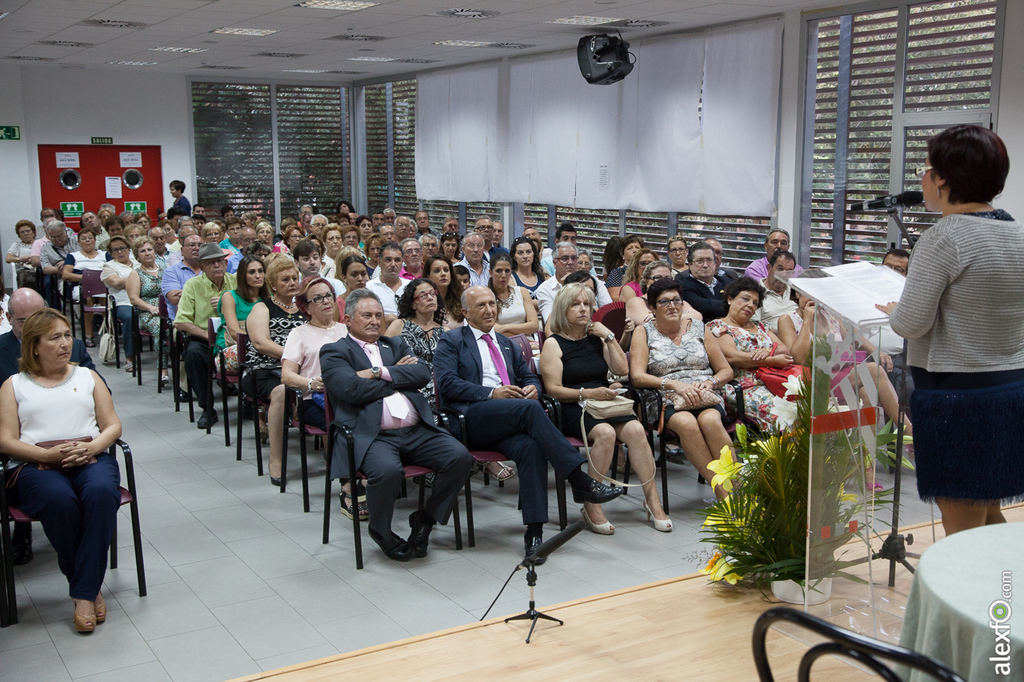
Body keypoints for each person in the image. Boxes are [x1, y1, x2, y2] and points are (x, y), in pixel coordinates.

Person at [877, 125, 1023, 535]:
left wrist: (894, 309)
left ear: (943, 178)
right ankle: (1006, 597)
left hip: (958, 397)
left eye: (927, 168)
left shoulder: (945, 237)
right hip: (1009, 389)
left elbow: (911, 323)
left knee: (963, 530)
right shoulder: (1017, 231)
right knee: (988, 517)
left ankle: (988, 600)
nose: (923, 178)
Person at [433, 286, 624, 561]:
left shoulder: (506, 343)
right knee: (528, 410)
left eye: (492, 304)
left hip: (510, 418)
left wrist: (533, 387)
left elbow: (528, 376)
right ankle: (578, 478)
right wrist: (490, 393)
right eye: (481, 306)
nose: (489, 310)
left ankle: (534, 534)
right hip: (472, 418)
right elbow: (447, 383)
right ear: (465, 312)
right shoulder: (452, 341)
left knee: (531, 446)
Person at [321, 289, 473, 561]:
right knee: (388, 471)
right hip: (373, 435)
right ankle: (381, 531)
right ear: (347, 320)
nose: (374, 321)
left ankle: (425, 518)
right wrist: (396, 379)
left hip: (416, 431)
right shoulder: (335, 351)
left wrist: (377, 373)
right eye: (366, 315)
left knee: (460, 457)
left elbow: (422, 373)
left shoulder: (394, 345)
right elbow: (349, 389)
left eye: (379, 315)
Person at [0, 308, 122, 633]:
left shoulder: (87, 376)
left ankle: (82, 593)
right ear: (34, 346)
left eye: (68, 335)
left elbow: (112, 426)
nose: (65, 343)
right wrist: (50, 455)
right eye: (55, 337)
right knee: (59, 500)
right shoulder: (14, 385)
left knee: (100, 493)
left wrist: (93, 447)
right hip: (35, 461)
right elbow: (7, 441)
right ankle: (89, 590)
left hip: (89, 452)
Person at [540, 283, 671, 533]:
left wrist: (609, 336)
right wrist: (588, 392)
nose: (583, 310)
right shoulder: (554, 344)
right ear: (562, 309)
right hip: (573, 405)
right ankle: (591, 504)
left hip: (604, 403)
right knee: (606, 434)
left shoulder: (595, 339)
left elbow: (622, 370)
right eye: (576, 304)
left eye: (587, 305)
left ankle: (652, 499)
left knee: (634, 428)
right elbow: (554, 389)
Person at [0, 288, 104, 567]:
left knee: (98, 492)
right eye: (25, 320)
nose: (36, 323)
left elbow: (94, 394)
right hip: (22, 438)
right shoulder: (2, 353)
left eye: (39, 315)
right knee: (56, 496)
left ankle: (83, 582)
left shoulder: (76, 352)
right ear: (10, 319)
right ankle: (22, 530)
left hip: (79, 442)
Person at [629, 278, 736, 501]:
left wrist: (711, 383)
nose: (672, 306)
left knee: (711, 421)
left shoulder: (699, 328)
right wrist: (673, 384)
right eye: (664, 302)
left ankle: (736, 489)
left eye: (677, 300)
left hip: (703, 393)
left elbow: (726, 371)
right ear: (652, 307)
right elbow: (637, 376)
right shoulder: (643, 332)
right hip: (664, 397)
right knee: (687, 424)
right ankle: (723, 493)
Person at [243, 255, 304, 483]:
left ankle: (334, 456)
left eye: (294, 278)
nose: (291, 282)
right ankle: (276, 459)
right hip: (263, 370)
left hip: (300, 369)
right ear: (273, 284)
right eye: (285, 279)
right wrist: (293, 358)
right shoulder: (262, 307)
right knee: (281, 391)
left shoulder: (304, 309)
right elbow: (260, 343)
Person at [280, 278, 347, 478]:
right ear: (306, 308)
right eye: (318, 299)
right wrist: (311, 383)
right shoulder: (299, 333)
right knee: (345, 426)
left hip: (347, 394)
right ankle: (347, 483)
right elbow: (286, 375)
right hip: (313, 399)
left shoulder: (346, 329)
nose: (326, 301)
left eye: (328, 296)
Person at [707, 277, 793, 431]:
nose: (750, 305)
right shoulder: (717, 326)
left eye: (755, 303)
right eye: (745, 299)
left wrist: (766, 351)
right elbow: (732, 357)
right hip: (743, 387)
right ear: (730, 299)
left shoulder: (761, 326)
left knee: (811, 406)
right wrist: (771, 360)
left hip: (775, 380)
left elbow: (784, 349)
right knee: (786, 413)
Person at [174, 243, 237, 429]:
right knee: (193, 354)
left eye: (220, 261)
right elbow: (181, 322)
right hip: (204, 339)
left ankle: (251, 402)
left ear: (226, 264)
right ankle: (207, 408)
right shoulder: (192, 285)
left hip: (233, 337)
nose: (217, 266)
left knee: (254, 349)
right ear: (202, 266)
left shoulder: (235, 282)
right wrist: (210, 336)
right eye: (211, 263)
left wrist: (228, 303)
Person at [384, 279, 447, 403]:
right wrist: (395, 368)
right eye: (423, 295)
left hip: (440, 389)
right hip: (410, 387)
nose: (430, 298)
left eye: (432, 293)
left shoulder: (445, 331)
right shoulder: (399, 325)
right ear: (413, 304)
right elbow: (383, 356)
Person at [535, 242, 612, 324]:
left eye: (574, 258)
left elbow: (609, 313)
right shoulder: (545, 289)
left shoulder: (592, 281)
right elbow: (551, 323)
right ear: (554, 262)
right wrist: (565, 288)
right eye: (565, 259)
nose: (570, 262)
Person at [215, 255, 267, 375]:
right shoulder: (230, 296)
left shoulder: (268, 299)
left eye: (261, 271)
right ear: (243, 276)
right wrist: (259, 343)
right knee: (259, 355)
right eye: (252, 272)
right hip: (232, 347)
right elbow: (234, 332)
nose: (258, 276)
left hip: (260, 346)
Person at [125, 237, 168, 382]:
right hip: (147, 313)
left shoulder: (166, 270)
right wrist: (151, 308)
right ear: (137, 256)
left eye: (149, 249)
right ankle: (163, 368)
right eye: (142, 251)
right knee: (160, 327)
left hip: (169, 309)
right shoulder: (135, 274)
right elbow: (134, 299)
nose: (147, 253)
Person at [61, 227, 109, 346]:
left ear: (94, 240)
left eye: (90, 238)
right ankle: (88, 335)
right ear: (79, 242)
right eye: (83, 238)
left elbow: (113, 270)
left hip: (103, 286)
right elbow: (66, 274)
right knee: (88, 297)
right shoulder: (73, 256)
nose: (87, 241)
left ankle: (108, 334)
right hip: (81, 286)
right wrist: (88, 278)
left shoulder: (105, 254)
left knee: (105, 298)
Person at [100, 236, 137, 372]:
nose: (120, 252)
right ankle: (130, 357)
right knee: (129, 316)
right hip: (123, 303)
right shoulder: (109, 266)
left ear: (129, 249)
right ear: (110, 253)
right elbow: (115, 282)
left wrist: (127, 282)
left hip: (144, 301)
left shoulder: (138, 262)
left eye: (123, 248)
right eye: (115, 250)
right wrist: (140, 278)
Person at [677, 241, 730, 322]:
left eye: (709, 260)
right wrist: (731, 305)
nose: (705, 265)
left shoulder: (726, 282)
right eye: (700, 261)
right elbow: (706, 308)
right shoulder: (682, 286)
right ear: (690, 264)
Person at [488, 253, 539, 337]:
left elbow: (534, 326)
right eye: (499, 271)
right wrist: (523, 330)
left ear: (511, 272)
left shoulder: (522, 292)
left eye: (507, 271)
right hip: (499, 343)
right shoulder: (486, 296)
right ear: (490, 272)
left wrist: (504, 328)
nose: (503, 275)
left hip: (527, 342)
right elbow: (491, 331)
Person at [750, 249, 798, 332]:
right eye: (780, 269)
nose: (783, 275)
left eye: (788, 271)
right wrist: (786, 334)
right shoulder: (755, 294)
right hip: (773, 341)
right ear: (769, 268)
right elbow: (754, 329)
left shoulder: (796, 292)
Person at [161, 233, 202, 320]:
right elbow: (175, 299)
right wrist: (207, 292)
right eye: (192, 245)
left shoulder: (210, 269)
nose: (197, 248)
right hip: (182, 322)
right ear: (182, 251)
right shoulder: (171, 271)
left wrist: (186, 292)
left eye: (200, 245)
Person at [365, 241, 408, 322]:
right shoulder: (369, 288)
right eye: (388, 260)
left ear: (402, 262)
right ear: (379, 263)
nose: (393, 264)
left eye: (397, 260)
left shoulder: (410, 285)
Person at [424, 254, 464, 328]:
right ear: (428, 276)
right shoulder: (423, 301)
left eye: (446, 270)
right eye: (437, 271)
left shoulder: (461, 298)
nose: (443, 274)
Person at [605, 235, 646, 299]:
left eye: (637, 247)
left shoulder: (647, 270)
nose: (635, 250)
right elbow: (615, 298)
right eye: (630, 248)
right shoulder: (617, 273)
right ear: (623, 255)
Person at [7, 219, 38, 288]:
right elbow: (8, 258)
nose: (25, 234)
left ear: (33, 232)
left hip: (38, 268)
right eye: (22, 232)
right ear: (19, 235)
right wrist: (21, 259)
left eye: (28, 231)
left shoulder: (39, 244)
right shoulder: (17, 245)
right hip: (24, 269)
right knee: (26, 275)